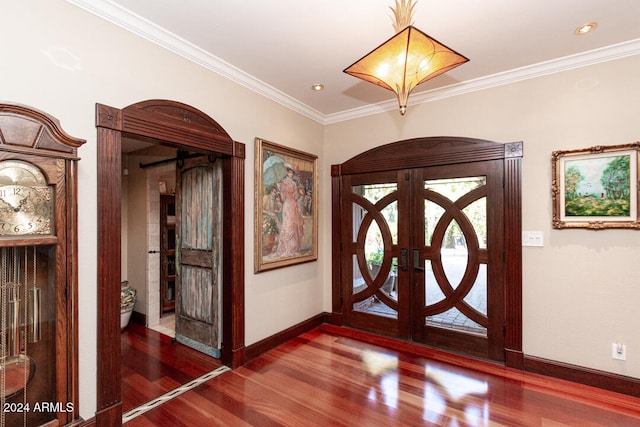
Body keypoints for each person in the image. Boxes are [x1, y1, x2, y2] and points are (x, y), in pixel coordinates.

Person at [275, 165, 304, 257]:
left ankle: (293, 248)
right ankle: (285, 248)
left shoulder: (294, 184)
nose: (291, 174)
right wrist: (280, 190)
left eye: (292, 173)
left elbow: (296, 196)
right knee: (288, 224)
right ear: (287, 172)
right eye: (289, 172)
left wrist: (299, 194)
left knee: (294, 225)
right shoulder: (283, 183)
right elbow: (283, 198)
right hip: (287, 205)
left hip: (293, 204)